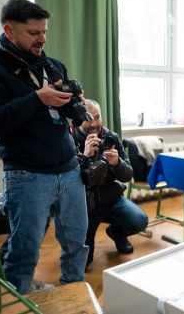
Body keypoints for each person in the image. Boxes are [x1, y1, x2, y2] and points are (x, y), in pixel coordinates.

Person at [0, 0, 89, 294]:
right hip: (26, 175)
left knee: (77, 245)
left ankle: (74, 300)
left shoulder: (53, 66)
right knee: (24, 254)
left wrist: (74, 104)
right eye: (34, 33)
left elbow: (64, 112)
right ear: (10, 30)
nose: (42, 39)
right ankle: (18, 303)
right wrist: (37, 98)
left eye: (44, 32)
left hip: (69, 170)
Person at [71, 99, 148, 267]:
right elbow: (66, 180)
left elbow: (127, 175)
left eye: (97, 117)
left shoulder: (111, 137)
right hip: (83, 206)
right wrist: (84, 156)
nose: (93, 123)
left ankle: (117, 232)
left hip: (110, 199)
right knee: (84, 263)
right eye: (88, 118)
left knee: (139, 221)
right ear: (77, 120)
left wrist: (117, 163)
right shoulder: (69, 139)